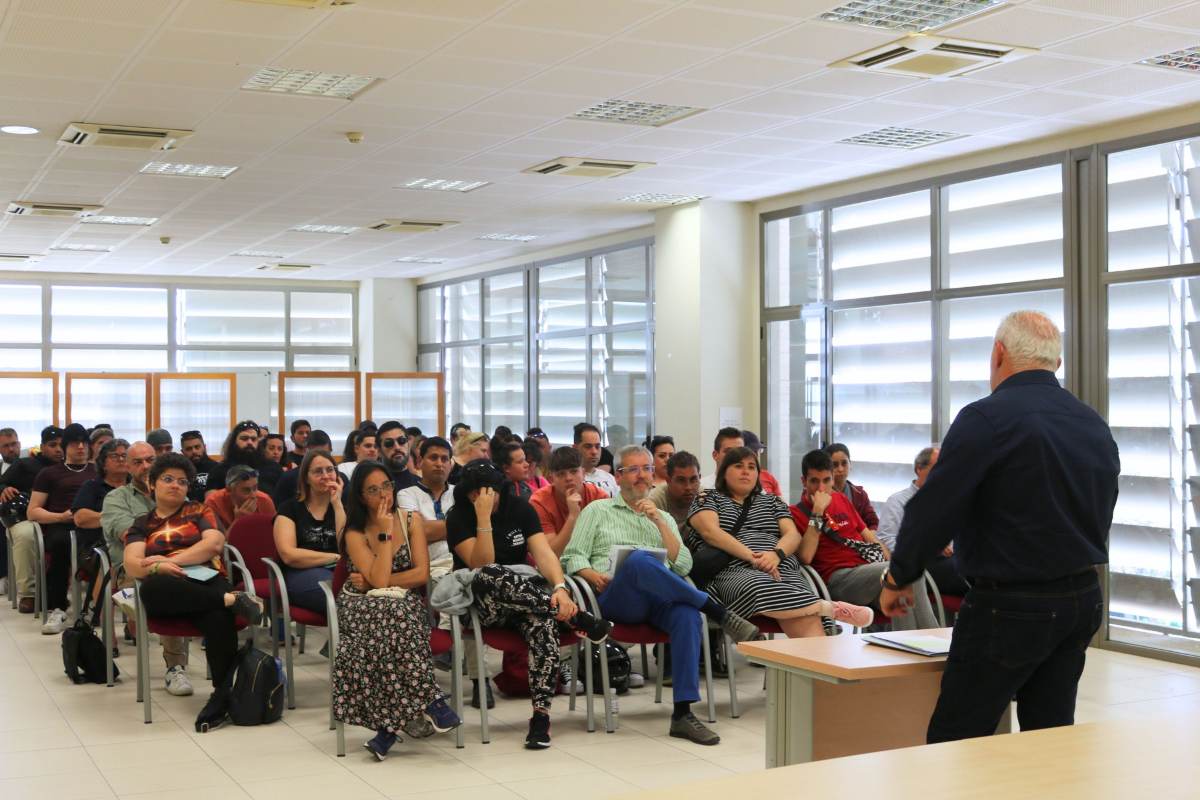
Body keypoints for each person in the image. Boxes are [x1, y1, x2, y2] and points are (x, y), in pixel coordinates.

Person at [880, 310, 1120, 744]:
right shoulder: (1092, 423)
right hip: (1081, 600)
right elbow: (1104, 503)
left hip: (1008, 606)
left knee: (958, 739)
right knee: (1048, 737)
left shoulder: (986, 419)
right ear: (1056, 365)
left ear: (998, 354)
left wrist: (899, 575)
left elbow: (934, 508)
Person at [561, 445, 761, 745]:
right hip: (615, 597)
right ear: (618, 476)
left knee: (687, 614)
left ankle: (682, 714)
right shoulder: (597, 511)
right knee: (639, 561)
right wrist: (591, 575)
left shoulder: (664, 518)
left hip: (658, 601)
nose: (642, 476)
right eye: (634, 470)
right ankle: (717, 611)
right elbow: (573, 557)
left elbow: (683, 565)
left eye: (648, 469)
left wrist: (658, 522)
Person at [445, 459, 613, 749]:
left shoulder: (520, 508)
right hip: (484, 603)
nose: (482, 498)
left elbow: (544, 554)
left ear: (500, 489)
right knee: (492, 572)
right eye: (474, 493)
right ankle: (577, 618)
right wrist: (483, 519)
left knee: (543, 624)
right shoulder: (458, 516)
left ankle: (541, 717)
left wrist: (560, 589)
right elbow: (480, 563)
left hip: (526, 600)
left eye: (488, 492)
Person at [123, 452, 263, 733]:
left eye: (183, 482)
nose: (176, 485)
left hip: (206, 576)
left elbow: (213, 544)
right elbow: (133, 564)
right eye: (168, 479)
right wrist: (158, 569)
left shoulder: (198, 511)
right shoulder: (142, 523)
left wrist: (168, 561)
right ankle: (232, 600)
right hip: (168, 589)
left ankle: (220, 696)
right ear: (152, 484)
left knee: (217, 617)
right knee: (152, 589)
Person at [333, 461, 461, 761]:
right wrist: (386, 535)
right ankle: (430, 701)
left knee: (393, 623)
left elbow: (419, 575)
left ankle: (387, 731)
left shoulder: (411, 519)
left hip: (402, 601)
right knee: (391, 622)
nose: (384, 496)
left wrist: (376, 580)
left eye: (387, 486)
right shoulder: (354, 531)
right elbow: (377, 580)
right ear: (361, 496)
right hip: (360, 604)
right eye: (373, 490)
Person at [689, 447, 873, 638]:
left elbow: (792, 535)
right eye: (738, 466)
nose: (746, 471)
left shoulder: (773, 502)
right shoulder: (708, 497)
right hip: (734, 568)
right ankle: (829, 608)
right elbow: (711, 532)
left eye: (752, 467)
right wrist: (753, 558)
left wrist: (776, 555)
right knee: (756, 586)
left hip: (779, 565)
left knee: (795, 593)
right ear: (724, 471)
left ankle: (813, 658)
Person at [790, 449, 938, 631]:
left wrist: (887, 556)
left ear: (832, 479)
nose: (821, 488)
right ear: (804, 482)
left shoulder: (841, 499)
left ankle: (914, 648)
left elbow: (868, 535)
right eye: (814, 481)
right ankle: (932, 638)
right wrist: (817, 513)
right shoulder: (795, 513)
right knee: (903, 572)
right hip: (837, 580)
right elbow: (805, 557)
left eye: (826, 480)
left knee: (905, 582)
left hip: (867, 572)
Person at [102, 441, 192, 695]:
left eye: (150, 460)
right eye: (138, 462)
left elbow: (197, 533)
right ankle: (176, 668)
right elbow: (131, 537)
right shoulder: (116, 498)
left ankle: (227, 665)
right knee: (168, 586)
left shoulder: (178, 493)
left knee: (215, 584)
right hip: (134, 570)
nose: (145, 466)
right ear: (128, 467)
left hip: (182, 563)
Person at [24, 423, 96, 634]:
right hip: (61, 525)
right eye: (75, 443)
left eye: (84, 442)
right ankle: (58, 608)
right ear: (65, 447)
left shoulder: (98, 471)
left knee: (104, 549)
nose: (81, 447)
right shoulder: (49, 473)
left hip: (92, 524)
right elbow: (33, 511)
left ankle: (95, 606)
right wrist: (60, 517)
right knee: (60, 544)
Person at [877, 447, 969, 597]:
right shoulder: (897, 501)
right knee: (968, 573)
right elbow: (885, 540)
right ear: (919, 469)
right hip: (921, 566)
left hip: (951, 559)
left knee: (980, 565)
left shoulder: (946, 500)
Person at [1, 425, 63, 614]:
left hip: (63, 518)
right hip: (28, 518)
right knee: (26, 535)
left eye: (62, 445)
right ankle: (29, 593)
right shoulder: (25, 464)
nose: (58, 449)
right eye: (53, 445)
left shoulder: (72, 467)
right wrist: (3, 488)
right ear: (42, 447)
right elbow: (1, 481)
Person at [273, 450, 343, 614]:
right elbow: (289, 555)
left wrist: (338, 504)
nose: (326, 476)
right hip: (302, 573)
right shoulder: (289, 508)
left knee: (366, 598)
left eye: (330, 470)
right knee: (340, 599)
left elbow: (345, 546)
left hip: (338, 570)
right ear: (306, 478)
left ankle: (342, 640)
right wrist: (335, 558)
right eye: (318, 471)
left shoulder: (343, 508)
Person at [529, 447, 608, 557]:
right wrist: (573, 516)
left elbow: (608, 543)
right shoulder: (539, 502)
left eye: (574, 471)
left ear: (583, 473)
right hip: (557, 563)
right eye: (561, 474)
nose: (568, 478)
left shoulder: (599, 497)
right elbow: (550, 555)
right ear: (551, 479)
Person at [71, 437, 129, 565]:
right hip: (99, 547)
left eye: (124, 456)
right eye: (114, 456)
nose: (120, 459)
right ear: (103, 463)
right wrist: (118, 519)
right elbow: (81, 518)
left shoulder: (137, 487)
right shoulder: (92, 486)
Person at [272, 429, 339, 507]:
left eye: (325, 454)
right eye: (315, 455)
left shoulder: (340, 479)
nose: (325, 476)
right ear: (306, 452)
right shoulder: (288, 478)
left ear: (331, 451)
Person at [208, 421, 277, 495]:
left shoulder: (273, 468)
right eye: (244, 438)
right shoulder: (219, 470)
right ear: (234, 441)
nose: (250, 442)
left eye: (253, 439)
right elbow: (211, 501)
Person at [204, 464, 276, 533]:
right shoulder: (213, 503)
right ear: (229, 490)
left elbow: (274, 534)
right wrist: (239, 520)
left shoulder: (265, 500)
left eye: (255, 488)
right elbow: (220, 542)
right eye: (246, 490)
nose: (253, 495)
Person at [824, 443, 879, 531]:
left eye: (844, 463)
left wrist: (870, 538)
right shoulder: (822, 495)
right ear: (826, 468)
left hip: (861, 541)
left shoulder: (860, 494)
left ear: (850, 464)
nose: (840, 469)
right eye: (835, 465)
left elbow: (873, 523)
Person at [648, 450, 702, 530]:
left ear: (699, 478)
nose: (688, 487)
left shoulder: (705, 497)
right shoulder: (656, 500)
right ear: (668, 480)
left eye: (693, 480)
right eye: (681, 480)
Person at [573, 423, 617, 496]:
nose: (594, 452)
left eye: (597, 446)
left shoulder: (610, 478)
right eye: (588, 447)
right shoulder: (571, 480)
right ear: (575, 448)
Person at [377, 421, 418, 490]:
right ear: (379, 451)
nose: (397, 447)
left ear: (408, 445)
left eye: (402, 440)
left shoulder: (422, 485)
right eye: (389, 443)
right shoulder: (374, 487)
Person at [180, 430, 219, 503]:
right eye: (189, 449)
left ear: (204, 447)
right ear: (182, 452)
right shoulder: (180, 473)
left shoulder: (218, 469)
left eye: (197, 447)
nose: (194, 451)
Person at [740, 430, 782, 497]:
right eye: (752, 451)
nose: (756, 455)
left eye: (757, 451)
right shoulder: (734, 478)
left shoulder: (768, 477)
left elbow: (781, 505)